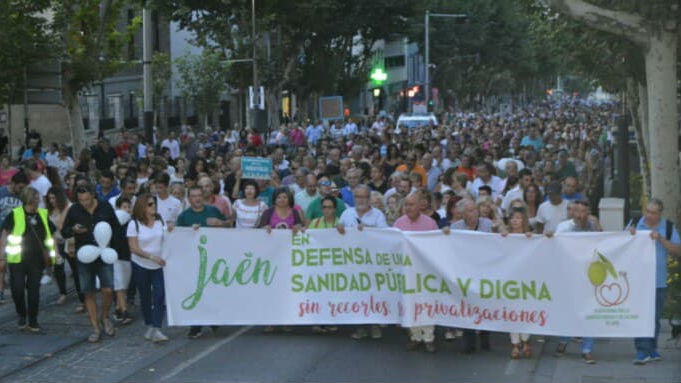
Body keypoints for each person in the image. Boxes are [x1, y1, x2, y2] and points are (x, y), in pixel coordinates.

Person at [62, 184, 126, 342]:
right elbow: (64, 230)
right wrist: (73, 230)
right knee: (88, 291)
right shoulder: (75, 210)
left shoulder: (105, 207)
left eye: (87, 199)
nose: (84, 202)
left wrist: (116, 250)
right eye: (81, 200)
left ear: (93, 196)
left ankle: (104, 316)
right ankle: (95, 328)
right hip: (84, 255)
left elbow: (116, 228)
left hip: (104, 253)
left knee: (108, 289)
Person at [628, 198, 680, 364]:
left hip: (658, 281)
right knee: (642, 315)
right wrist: (629, 235)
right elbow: (622, 245)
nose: (648, 215)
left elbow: (677, 250)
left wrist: (661, 239)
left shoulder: (668, 226)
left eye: (653, 213)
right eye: (647, 211)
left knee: (655, 317)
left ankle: (652, 348)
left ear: (660, 214)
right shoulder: (636, 223)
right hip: (639, 279)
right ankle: (642, 351)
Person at [0, 187, 56, 332]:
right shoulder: (15, 214)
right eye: (35, 199)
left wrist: (55, 254)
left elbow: (52, 233)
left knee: (34, 290)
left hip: (37, 260)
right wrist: (2, 257)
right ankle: (21, 314)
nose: (37, 202)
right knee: (17, 289)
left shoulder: (43, 214)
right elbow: (5, 235)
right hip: (17, 259)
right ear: (28, 200)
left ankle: (32, 320)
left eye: (37, 199)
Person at [176, 185, 228, 338]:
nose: (197, 199)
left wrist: (220, 223)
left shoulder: (213, 211)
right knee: (195, 291)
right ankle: (196, 325)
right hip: (193, 260)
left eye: (199, 195)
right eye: (193, 196)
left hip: (213, 257)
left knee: (211, 289)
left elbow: (228, 226)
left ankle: (213, 319)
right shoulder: (184, 216)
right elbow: (178, 238)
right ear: (189, 199)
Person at [338, 184, 388, 340]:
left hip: (371, 261)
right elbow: (338, 234)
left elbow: (386, 235)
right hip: (352, 261)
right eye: (357, 196)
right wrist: (338, 228)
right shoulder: (346, 213)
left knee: (372, 294)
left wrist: (368, 229)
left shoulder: (378, 215)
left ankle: (374, 325)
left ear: (369, 198)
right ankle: (360, 327)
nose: (360, 199)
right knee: (357, 295)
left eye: (364, 196)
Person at [554, 199, 599, 364]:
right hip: (569, 276)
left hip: (588, 277)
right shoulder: (564, 228)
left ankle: (587, 349)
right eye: (578, 211)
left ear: (588, 213)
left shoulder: (593, 227)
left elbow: (604, 244)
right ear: (573, 212)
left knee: (589, 312)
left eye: (584, 212)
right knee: (569, 310)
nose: (580, 215)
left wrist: (598, 227)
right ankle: (563, 341)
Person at [393, 193, 439, 352]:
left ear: (420, 205)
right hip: (407, 271)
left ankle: (429, 338)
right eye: (406, 205)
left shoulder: (430, 223)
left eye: (411, 204)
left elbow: (438, 245)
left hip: (425, 272)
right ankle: (415, 336)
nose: (408, 208)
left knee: (426, 305)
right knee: (410, 304)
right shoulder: (399, 223)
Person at [450, 199, 493, 353]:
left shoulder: (487, 224)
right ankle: (469, 341)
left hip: (484, 270)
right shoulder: (455, 227)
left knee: (483, 305)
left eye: (475, 209)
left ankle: (485, 336)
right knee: (467, 306)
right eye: (469, 210)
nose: (474, 212)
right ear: (462, 214)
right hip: (465, 271)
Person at [127, 193, 169, 342]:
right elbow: (133, 247)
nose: (154, 207)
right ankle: (149, 324)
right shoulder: (134, 224)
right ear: (142, 207)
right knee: (145, 296)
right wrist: (152, 257)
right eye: (150, 204)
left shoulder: (160, 220)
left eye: (154, 204)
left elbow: (168, 235)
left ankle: (157, 327)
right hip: (141, 265)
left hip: (158, 266)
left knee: (159, 295)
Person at [501, 206, 534, 359]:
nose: (515, 220)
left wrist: (533, 238)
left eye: (519, 218)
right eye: (513, 218)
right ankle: (515, 343)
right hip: (510, 279)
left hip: (526, 279)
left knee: (526, 310)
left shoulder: (529, 237)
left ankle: (526, 341)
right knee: (512, 312)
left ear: (524, 220)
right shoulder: (505, 236)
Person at [47, 186, 84, 307]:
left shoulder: (69, 207)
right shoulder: (49, 211)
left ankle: (82, 298)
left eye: (54, 197)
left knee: (76, 269)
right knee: (58, 268)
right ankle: (62, 293)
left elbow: (64, 227)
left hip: (70, 241)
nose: (52, 200)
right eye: (50, 198)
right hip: (56, 242)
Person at [0, 171, 29, 303]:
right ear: (13, 183)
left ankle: (16, 288)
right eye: (20, 187)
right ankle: (0, 292)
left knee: (15, 262)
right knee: (1, 263)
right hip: (1, 232)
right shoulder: (2, 193)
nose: (21, 190)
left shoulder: (22, 198)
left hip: (15, 235)